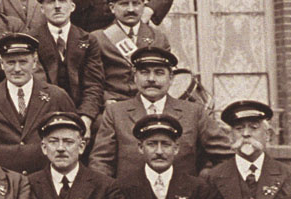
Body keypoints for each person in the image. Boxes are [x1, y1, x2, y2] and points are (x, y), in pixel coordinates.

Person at [90, 47, 231, 179]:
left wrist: (205, 185)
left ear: (171, 79)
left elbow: (227, 157)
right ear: (135, 77)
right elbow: (101, 162)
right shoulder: (116, 113)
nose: (151, 79)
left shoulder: (194, 112)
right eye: (144, 72)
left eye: (159, 72)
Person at [0, 33, 77, 175]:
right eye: (10, 62)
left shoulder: (57, 96)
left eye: (23, 62)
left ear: (34, 62)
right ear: (2, 63)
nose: (17, 69)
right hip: (3, 182)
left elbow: (74, 140)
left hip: (46, 180)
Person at [30, 0, 105, 126]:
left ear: (72, 7)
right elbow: (37, 85)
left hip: (81, 111)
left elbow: (93, 85)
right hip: (44, 111)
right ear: (42, 9)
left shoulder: (88, 40)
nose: (57, 6)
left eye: (62, 0)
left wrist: (86, 118)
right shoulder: (32, 40)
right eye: (51, 1)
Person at [91, 0, 172, 104]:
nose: (131, 9)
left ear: (143, 6)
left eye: (136, 3)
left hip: (149, 102)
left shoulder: (158, 38)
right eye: (124, 4)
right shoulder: (98, 38)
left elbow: (165, 77)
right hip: (113, 103)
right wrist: (106, 99)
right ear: (112, 7)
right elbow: (91, 81)